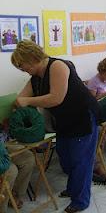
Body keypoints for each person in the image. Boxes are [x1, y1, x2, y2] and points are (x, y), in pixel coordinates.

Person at [11, 40, 100, 213]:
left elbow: (56, 98)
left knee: (80, 160)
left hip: (83, 116)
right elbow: (20, 100)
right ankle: (74, 188)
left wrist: (27, 101)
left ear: (31, 58)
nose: (23, 70)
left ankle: (80, 200)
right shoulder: (35, 79)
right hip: (64, 120)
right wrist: (15, 108)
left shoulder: (58, 66)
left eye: (23, 66)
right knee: (65, 156)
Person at [0, 146, 35, 212]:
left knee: (29, 158)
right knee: (11, 171)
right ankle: (2, 208)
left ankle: (14, 194)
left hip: (6, 144)